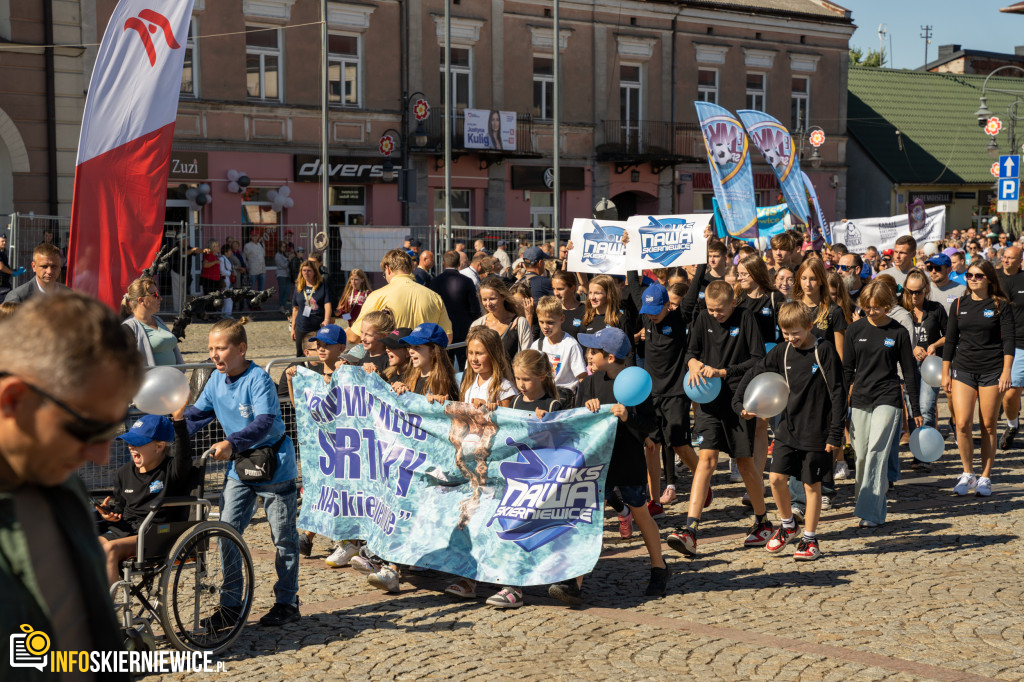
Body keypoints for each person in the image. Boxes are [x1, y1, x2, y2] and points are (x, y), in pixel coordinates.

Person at [0, 292, 143, 678]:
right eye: (86, 428)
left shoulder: (63, 486)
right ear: (13, 400)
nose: (99, 455)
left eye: (111, 429)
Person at [185, 317, 301, 626]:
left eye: (221, 348)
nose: (214, 355)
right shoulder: (214, 380)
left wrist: (231, 443)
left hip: (275, 468)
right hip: (240, 469)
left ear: (241, 348)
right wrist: (166, 430)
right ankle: (230, 606)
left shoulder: (258, 379)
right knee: (226, 533)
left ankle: (287, 602)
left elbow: (263, 422)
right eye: (210, 348)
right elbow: (196, 416)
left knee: (284, 540)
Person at [549, 327, 669, 603]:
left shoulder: (638, 381)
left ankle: (659, 567)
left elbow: (649, 426)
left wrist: (628, 417)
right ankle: (574, 582)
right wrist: (586, 407)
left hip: (627, 460)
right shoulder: (590, 383)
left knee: (640, 514)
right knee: (588, 517)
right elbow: (579, 419)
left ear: (611, 357)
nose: (588, 356)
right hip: (597, 461)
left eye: (593, 352)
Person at [734, 302, 846, 561]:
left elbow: (838, 393)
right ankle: (787, 525)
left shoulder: (824, 350)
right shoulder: (782, 352)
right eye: (785, 333)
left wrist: (835, 433)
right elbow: (756, 371)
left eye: (795, 332)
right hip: (787, 429)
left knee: (811, 485)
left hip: (817, 431)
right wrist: (739, 402)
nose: (791, 338)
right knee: (775, 479)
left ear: (809, 326)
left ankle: (810, 538)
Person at [667, 281, 768, 558]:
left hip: (738, 399)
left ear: (732, 302)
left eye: (720, 310)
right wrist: (692, 364)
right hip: (709, 401)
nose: (715, 314)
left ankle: (763, 521)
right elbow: (690, 353)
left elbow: (759, 359)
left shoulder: (746, 317)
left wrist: (725, 372)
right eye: (711, 309)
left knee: (745, 464)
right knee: (707, 459)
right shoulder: (702, 318)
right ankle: (690, 529)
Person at [844, 279, 921, 528]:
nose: (871, 311)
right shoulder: (854, 331)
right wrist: (839, 404)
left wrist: (915, 410)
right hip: (861, 399)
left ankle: (872, 513)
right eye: (867, 306)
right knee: (862, 455)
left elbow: (909, 373)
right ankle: (867, 500)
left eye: (877, 307)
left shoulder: (898, 332)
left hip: (888, 397)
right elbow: (847, 371)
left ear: (887, 306)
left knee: (877, 450)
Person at [942, 259, 1015, 497]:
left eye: (978, 276)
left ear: (989, 279)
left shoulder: (1000, 305)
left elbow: (1009, 342)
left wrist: (1006, 372)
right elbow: (951, 340)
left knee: (988, 425)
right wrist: (945, 373)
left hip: (992, 370)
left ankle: (985, 476)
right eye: (970, 275)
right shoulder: (959, 304)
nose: (972, 279)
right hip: (963, 369)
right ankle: (967, 474)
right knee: (962, 423)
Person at [96, 409, 191, 585]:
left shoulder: (171, 470)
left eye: (138, 443)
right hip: (125, 529)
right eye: (130, 442)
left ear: (160, 446)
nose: (131, 447)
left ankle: (105, 609)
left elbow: (184, 455)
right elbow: (120, 508)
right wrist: (110, 513)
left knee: (110, 548)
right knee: (87, 547)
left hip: (155, 533)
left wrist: (178, 421)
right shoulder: (124, 473)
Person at [636, 282, 701, 514]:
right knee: (651, 446)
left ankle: (703, 483)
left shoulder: (679, 317)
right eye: (648, 312)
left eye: (656, 312)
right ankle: (654, 500)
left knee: (680, 445)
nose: (652, 317)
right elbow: (634, 284)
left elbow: (691, 294)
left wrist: (701, 258)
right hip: (650, 394)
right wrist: (630, 252)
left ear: (667, 306)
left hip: (675, 393)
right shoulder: (646, 319)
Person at [348, 249, 453, 344]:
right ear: (411, 268)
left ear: (388, 269)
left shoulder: (377, 296)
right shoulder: (434, 297)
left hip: (389, 361)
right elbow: (447, 337)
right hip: (423, 361)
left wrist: (346, 332)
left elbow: (354, 337)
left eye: (384, 274)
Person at [901, 269, 947, 463]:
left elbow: (950, 335)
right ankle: (918, 448)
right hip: (908, 366)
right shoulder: (900, 310)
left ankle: (925, 455)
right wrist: (912, 348)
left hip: (931, 365)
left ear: (926, 289)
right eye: (910, 291)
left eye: (918, 291)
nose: (914, 296)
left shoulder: (936, 309)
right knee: (913, 409)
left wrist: (934, 345)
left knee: (926, 407)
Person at [430, 250, 482, 362]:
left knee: (445, 365)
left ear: (444, 263)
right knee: (465, 364)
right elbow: (475, 308)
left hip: (442, 329)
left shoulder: (434, 282)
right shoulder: (467, 281)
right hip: (463, 329)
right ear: (459, 263)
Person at [121, 276, 184, 366]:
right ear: (141, 300)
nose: (160, 298)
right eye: (155, 295)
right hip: (149, 379)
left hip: (172, 378)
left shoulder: (158, 320)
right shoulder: (128, 328)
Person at [996, 245, 1024, 450]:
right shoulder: (992, 277)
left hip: (1020, 342)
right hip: (994, 341)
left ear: (1020, 260)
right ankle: (1009, 418)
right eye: (1004, 257)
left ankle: (1012, 425)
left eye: (1010, 258)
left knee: (1011, 391)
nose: (1005, 261)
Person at [531, 295, 587, 393]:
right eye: (541, 322)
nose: (545, 326)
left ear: (562, 319)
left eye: (550, 322)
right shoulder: (536, 346)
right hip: (543, 396)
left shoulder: (571, 345)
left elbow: (582, 377)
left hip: (565, 398)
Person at [793, 257, 846, 360]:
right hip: (799, 367)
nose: (808, 284)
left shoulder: (834, 311)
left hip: (825, 369)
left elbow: (840, 355)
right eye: (803, 278)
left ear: (821, 280)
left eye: (813, 279)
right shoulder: (792, 308)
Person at [471, 276, 532, 364]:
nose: (488, 304)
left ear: (503, 296)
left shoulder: (520, 323)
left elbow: (526, 357)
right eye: (484, 299)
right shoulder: (477, 324)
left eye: (492, 299)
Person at [291, 258, 333, 357]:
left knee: (317, 353)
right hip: (302, 326)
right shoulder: (299, 287)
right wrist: (293, 328)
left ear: (314, 272)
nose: (306, 273)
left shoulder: (322, 286)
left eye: (309, 270)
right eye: (304, 270)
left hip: (317, 326)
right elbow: (295, 308)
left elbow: (327, 304)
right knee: (300, 354)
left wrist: (327, 319)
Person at [4, 243, 69, 303]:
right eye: (44, 266)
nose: (49, 271)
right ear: (34, 266)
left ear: (60, 267)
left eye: (54, 267)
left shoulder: (69, 295)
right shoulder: (17, 298)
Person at [243, 231, 267, 303]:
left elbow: (264, 255)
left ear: (258, 236)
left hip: (262, 270)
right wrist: (247, 266)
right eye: (253, 236)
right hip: (252, 270)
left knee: (261, 290)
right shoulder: (247, 246)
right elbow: (244, 258)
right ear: (250, 236)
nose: (255, 237)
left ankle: (258, 304)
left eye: (256, 235)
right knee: (251, 290)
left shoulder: (261, 244)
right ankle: (250, 304)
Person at [275, 242, 292, 312]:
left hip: (288, 275)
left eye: (285, 247)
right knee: (282, 291)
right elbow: (284, 265)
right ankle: (281, 306)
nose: (284, 248)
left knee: (288, 291)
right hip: (281, 275)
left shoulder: (285, 254)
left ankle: (284, 304)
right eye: (282, 247)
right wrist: (289, 260)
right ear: (279, 247)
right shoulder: (277, 255)